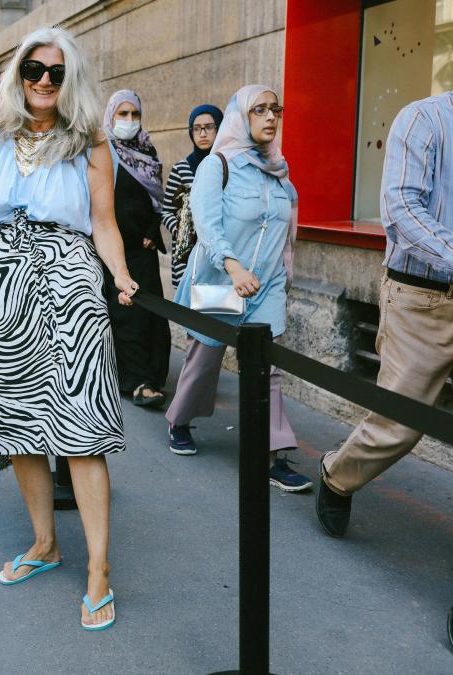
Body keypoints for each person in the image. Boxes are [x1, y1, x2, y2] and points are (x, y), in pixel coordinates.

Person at [0, 27, 139, 631]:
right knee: (19, 426)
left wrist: (118, 273)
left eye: (57, 72)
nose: (44, 80)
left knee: (82, 430)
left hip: (70, 278)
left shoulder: (91, 138)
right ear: (17, 75)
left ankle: (99, 568)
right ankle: (45, 543)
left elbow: (104, 219)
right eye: (34, 70)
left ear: (71, 80)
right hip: (10, 282)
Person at [316, 91, 453, 538]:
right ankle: (338, 476)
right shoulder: (422, 120)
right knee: (400, 425)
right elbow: (401, 210)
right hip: (423, 298)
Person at [164, 84, 312, 493]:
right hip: (221, 280)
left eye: (275, 110)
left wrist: (281, 285)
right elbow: (207, 226)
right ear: (240, 117)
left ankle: (272, 454)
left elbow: (284, 240)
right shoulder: (219, 165)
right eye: (259, 110)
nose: (270, 117)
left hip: (266, 288)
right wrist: (232, 266)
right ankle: (179, 419)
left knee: (269, 372)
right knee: (205, 360)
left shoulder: (279, 171)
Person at [103, 90, 171, 406]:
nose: (129, 121)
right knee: (125, 316)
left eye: (134, 114)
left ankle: (154, 376)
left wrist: (150, 230)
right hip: (112, 250)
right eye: (123, 114)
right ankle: (137, 381)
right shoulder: (103, 152)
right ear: (111, 116)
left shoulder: (147, 149)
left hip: (143, 249)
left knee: (151, 313)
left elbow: (157, 201)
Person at [161, 104, 223, 287]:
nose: (202, 134)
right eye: (196, 129)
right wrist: (184, 233)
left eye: (209, 127)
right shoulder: (182, 168)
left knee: (219, 306)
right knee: (188, 309)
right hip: (188, 254)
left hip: (219, 252)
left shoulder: (228, 167)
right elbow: (166, 212)